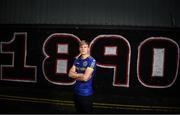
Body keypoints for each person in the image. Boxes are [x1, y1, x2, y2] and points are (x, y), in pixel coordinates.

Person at [68, 40, 96, 113]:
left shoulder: (92, 61)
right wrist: (81, 75)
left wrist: (76, 76)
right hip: (76, 92)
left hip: (86, 94)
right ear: (79, 49)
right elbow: (70, 74)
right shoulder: (77, 60)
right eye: (81, 47)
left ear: (88, 48)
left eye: (85, 47)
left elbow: (85, 78)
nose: (83, 49)